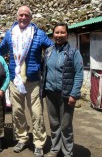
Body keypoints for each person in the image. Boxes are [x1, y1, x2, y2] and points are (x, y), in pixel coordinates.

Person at [0, 5, 53, 157]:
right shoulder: (10, 34)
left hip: (33, 81)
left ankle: (39, 143)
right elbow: (0, 51)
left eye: (26, 15)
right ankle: (22, 138)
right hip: (15, 80)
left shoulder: (39, 34)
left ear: (31, 17)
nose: (23, 17)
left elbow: (51, 49)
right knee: (17, 112)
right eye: (21, 15)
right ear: (17, 17)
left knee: (37, 113)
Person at [40, 23, 84, 157]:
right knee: (54, 124)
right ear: (53, 34)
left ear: (67, 34)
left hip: (66, 94)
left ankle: (67, 152)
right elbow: (44, 70)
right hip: (50, 93)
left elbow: (79, 73)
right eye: (57, 33)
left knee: (65, 125)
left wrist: (74, 94)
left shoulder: (74, 52)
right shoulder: (48, 51)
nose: (59, 35)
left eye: (62, 33)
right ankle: (55, 149)